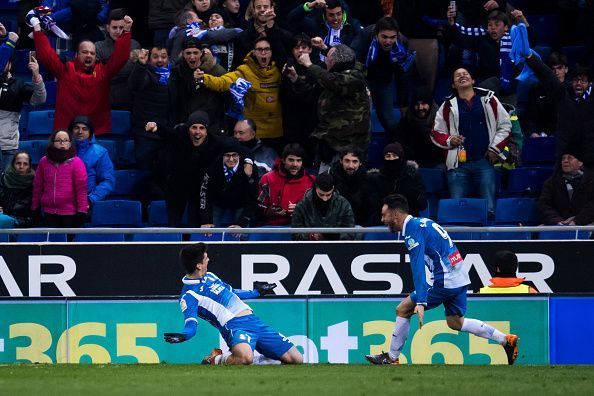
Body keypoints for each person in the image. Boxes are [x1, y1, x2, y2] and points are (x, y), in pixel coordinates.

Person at [365, 194, 519, 365]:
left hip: (444, 280)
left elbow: (417, 268)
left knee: (402, 309)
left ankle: (392, 358)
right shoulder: (422, 223)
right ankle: (505, 340)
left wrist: (421, 302)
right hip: (459, 276)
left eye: (384, 215)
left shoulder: (412, 231)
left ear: (395, 214)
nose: (382, 219)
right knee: (456, 322)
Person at [163, 242, 304, 365]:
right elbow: (191, 323)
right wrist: (184, 335)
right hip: (234, 326)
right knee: (245, 358)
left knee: (296, 359)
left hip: (253, 320)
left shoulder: (210, 276)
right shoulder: (189, 295)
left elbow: (232, 292)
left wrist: (256, 292)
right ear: (198, 265)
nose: (209, 259)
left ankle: (264, 360)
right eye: (206, 258)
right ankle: (216, 359)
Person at [31, 13, 133, 134]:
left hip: (96, 133)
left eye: (92, 53)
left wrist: (126, 32)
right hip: (67, 134)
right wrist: (37, 29)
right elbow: (46, 55)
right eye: (85, 52)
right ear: (77, 55)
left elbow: (120, 57)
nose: (89, 55)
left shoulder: (103, 72)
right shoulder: (65, 70)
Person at [431, 67, 511, 215]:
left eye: (465, 74)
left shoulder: (489, 99)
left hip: (484, 162)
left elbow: (506, 125)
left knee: (489, 210)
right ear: (454, 85)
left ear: (473, 80)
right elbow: (436, 133)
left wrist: (495, 148)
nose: (462, 76)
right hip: (457, 166)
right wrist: (449, 139)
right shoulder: (447, 106)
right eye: (457, 76)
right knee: (456, 210)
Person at [145, 111, 229, 227]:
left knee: (194, 224)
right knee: (173, 223)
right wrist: (155, 126)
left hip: (199, 189)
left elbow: (235, 147)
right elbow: (166, 132)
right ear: (188, 128)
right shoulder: (180, 135)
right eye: (194, 127)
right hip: (177, 186)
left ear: (206, 130)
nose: (197, 132)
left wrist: (247, 161)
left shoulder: (215, 142)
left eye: (201, 128)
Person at [294, 43, 370, 171]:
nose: (326, 62)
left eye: (328, 58)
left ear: (334, 61)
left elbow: (332, 81)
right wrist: (294, 78)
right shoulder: (338, 71)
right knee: (324, 182)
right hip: (328, 140)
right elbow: (310, 89)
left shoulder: (354, 78)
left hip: (349, 145)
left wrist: (309, 65)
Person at [199, 37, 283, 144]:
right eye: (259, 49)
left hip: (275, 132)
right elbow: (223, 82)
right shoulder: (245, 70)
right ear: (253, 52)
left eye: (267, 49)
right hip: (254, 132)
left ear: (271, 52)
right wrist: (204, 78)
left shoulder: (278, 71)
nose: (263, 53)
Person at [524, 54, 594, 167]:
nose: (579, 84)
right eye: (576, 80)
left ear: (590, 84)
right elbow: (547, 75)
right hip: (559, 148)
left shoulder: (588, 101)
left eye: (583, 81)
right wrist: (529, 57)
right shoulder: (560, 94)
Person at [351, 16, 414, 133]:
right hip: (363, 80)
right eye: (384, 37)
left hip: (385, 81)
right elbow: (352, 61)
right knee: (361, 120)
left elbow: (403, 75)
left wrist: (403, 103)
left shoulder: (402, 42)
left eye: (392, 37)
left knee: (389, 121)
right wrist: (361, 85)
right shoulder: (365, 36)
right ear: (376, 34)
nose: (388, 41)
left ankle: (393, 148)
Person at [0, 27, 46, 170]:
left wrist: (36, 76)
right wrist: (6, 39)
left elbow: (39, 100)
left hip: (7, 147)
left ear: (10, 64)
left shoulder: (18, 85)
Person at [31, 129, 88, 228]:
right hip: (49, 212)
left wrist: (82, 211)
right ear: (53, 143)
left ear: (70, 144)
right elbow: (37, 187)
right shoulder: (44, 161)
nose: (62, 143)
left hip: (70, 213)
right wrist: (35, 207)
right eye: (58, 140)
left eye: (65, 140)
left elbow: (81, 189)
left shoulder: (77, 162)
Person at [128, 46, 172, 176]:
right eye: (155, 56)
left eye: (163, 56)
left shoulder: (174, 75)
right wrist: (141, 65)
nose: (160, 60)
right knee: (145, 173)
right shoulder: (145, 73)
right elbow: (134, 85)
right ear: (149, 59)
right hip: (146, 134)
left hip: (167, 132)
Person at [169, 39, 227, 132]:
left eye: (195, 53)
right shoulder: (177, 72)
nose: (192, 57)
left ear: (202, 53)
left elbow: (226, 96)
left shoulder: (215, 71)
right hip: (186, 125)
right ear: (183, 54)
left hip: (211, 125)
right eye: (188, 53)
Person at [199, 142, 259, 229]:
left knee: (241, 233)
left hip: (241, 202)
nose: (231, 159)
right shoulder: (212, 168)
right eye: (227, 155)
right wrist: (206, 220)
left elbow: (253, 198)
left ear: (239, 155)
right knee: (209, 232)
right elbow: (204, 194)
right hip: (218, 201)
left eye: (234, 155)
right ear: (222, 156)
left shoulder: (250, 170)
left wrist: (242, 223)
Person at [95, 8, 142, 110]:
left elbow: (136, 73)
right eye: (114, 27)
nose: (118, 31)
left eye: (121, 27)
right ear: (107, 28)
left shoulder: (134, 45)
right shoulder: (98, 47)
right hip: (105, 99)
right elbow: (99, 75)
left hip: (130, 99)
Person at [368, 143, 427, 222]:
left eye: (395, 155)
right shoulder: (376, 179)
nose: (391, 159)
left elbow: (422, 204)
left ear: (401, 157)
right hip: (383, 221)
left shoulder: (412, 176)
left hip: (409, 221)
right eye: (388, 156)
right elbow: (372, 205)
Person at [258, 143, 315, 226]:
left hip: (301, 226)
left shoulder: (311, 181)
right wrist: (270, 211)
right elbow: (259, 206)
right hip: (272, 226)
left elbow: (317, 209)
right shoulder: (267, 179)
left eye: (299, 160)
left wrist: (301, 209)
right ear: (284, 160)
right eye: (291, 160)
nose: (295, 164)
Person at [538, 148, 594, 226]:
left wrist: (576, 220)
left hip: (585, 223)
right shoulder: (551, 183)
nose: (565, 161)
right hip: (556, 224)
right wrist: (557, 221)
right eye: (563, 158)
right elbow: (544, 205)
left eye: (570, 158)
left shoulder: (591, 181)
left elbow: (592, 206)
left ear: (580, 162)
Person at [291, 172, 355, 240]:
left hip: (336, 248)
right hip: (309, 247)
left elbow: (350, 233)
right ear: (315, 187)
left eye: (328, 195)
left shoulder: (344, 204)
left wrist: (334, 236)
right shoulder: (302, 206)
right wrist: (311, 236)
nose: (324, 199)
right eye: (321, 194)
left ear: (333, 188)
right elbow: (295, 234)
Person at [231, 0, 293, 69]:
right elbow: (236, 68)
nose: (262, 9)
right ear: (254, 10)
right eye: (258, 7)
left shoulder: (286, 36)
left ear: (272, 8)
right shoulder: (241, 38)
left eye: (265, 7)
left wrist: (271, 30)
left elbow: (285, 65)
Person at [393, 85, 444, 168]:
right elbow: (399, 141)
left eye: (423, 104)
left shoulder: (441, 119)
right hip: (412, 162)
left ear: (430, 104)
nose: (420, 108)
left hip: (435, 161)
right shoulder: (407, 119)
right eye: (417, 104)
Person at [70, 116, 115, 206]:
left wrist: (90, 199)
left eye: (84, 129)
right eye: (76, 128)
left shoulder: (100, 153)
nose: (80, 132)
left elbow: (108, 181)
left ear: (90, 132)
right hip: (64, 202)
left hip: (88, 202)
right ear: (71, 131)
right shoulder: (63, 149)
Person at [287, 0, 362, 54]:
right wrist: (309, 6)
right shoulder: (316, 25)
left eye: (339, 14)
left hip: (344, 72)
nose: (335, 18)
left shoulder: (353, 26)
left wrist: (324, 48)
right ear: (325, 15)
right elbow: (292, 19)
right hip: (319, 68)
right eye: (331, 15)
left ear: (343, 13)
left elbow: (354, 53)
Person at [524, 52, 569, 138]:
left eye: (560, 68)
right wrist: (533, 133)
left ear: (566, 69)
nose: (556, 72)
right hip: (543, 136)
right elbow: (531, 117)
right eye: (552, 69)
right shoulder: (537, 90)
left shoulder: (571, 90)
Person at [329, 150, 374, 226]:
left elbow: (369, 209)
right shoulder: (331, 178)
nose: (350, 166)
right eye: (347, 161)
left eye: (355, 162)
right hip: (334, 225)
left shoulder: (368, 181)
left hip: (359, 225)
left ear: (360, 163)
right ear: (341, 161)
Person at [0, 151, 35, 228]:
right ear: (13, 164)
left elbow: (35, 218)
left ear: (29, 166)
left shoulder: (35, 184)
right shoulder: (2, 179)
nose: (21, 167)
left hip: (23, 225)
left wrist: (13, 220)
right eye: (18, 163)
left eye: (25, 164)